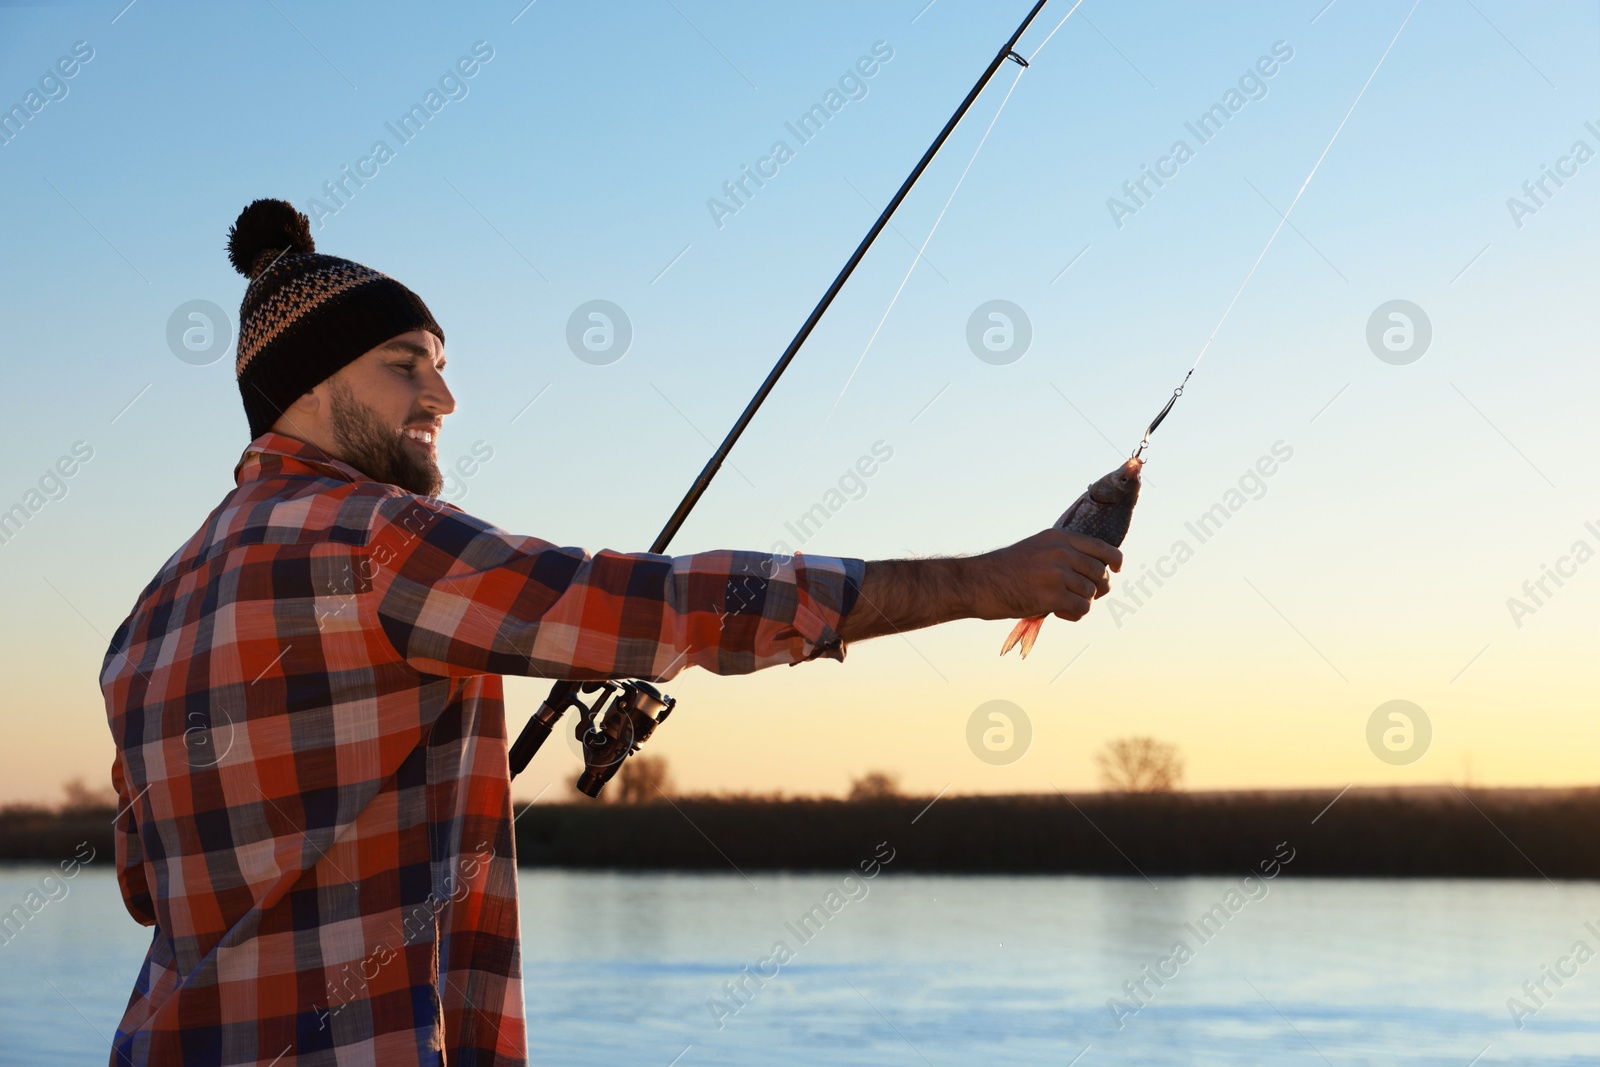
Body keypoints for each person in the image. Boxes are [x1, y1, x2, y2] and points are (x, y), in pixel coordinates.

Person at [100, 199, 1122, 1066]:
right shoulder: (376, 540)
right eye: (405, 364)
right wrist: (984, 580)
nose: (444, 395)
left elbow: (153, 886)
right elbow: (656, 607)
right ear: (311, 385)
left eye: (441, 364)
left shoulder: (146, 618)